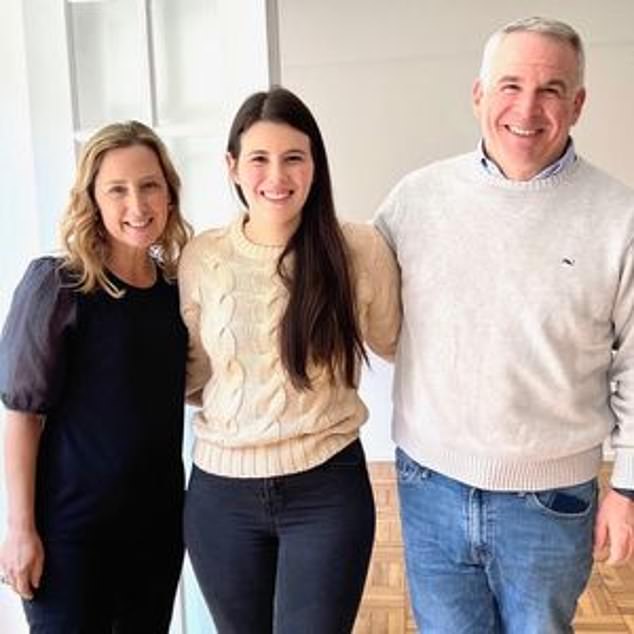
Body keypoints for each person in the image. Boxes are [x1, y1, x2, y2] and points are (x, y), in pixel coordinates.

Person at [375, 16, 634, 634]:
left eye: (551, 90)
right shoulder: (415, 199)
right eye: (510, 85)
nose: (527, 107)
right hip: (427, 483)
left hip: (551, 502)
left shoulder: (620, 217)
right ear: (478, 95)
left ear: (578, 104)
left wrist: (627, 489)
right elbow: (356, 299)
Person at [178, 86, 401, 634]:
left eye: (293, 158)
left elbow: (395, 340)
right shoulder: (201, 257)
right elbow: (195, 375)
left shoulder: (358, 249)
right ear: (232, 167)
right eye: (258, 158)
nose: (276, 176)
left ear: (315, 166)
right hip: (220, 495)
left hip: (325, 489)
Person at [0, 120, 192, 632]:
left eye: (150, 185)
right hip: (68, 536)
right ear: (93, 199)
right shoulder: (58, 286)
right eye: (118, 189)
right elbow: (21, 414)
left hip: (156, 531)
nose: (137, 204)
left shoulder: (178, 291)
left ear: (169, 193)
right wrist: (19, 528)